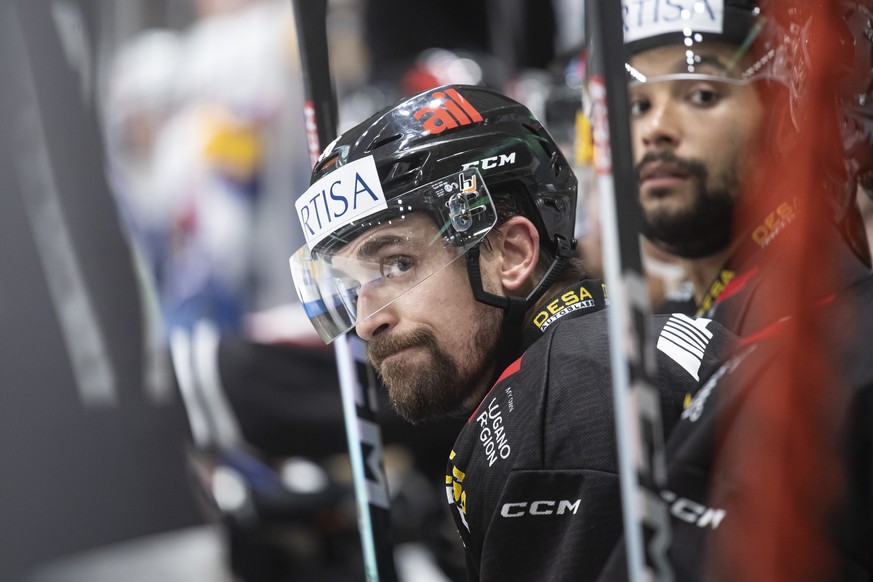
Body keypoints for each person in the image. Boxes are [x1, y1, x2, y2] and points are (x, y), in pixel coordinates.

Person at [288, 84, 736, 580]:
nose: (369, 321)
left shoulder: (561, 400)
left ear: (512, 253)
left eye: (397, 264)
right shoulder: (607, 349)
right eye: (353, 288)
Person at [596, 0, 873, 579]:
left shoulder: (834, 319)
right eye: (636, 105)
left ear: (787, 113)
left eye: (701, 94)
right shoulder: (670, 322)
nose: (655, 129)